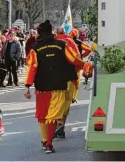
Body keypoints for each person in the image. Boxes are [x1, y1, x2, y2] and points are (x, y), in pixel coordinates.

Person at [24, 20, 85, 153]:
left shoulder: (35, 48)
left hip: (41, 88)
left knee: (42, 115)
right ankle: (49, 144)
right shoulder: (62, 45)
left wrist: (27, 86)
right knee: (53, 115)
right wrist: (84, 66)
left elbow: (32, 68)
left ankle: (45, 140)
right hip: (58, 86)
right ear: (51, 32)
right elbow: (74, 59)